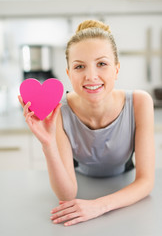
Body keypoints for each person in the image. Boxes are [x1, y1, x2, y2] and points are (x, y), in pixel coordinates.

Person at [18, 19, 155, 227]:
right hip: (83, 183)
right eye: (79, 66)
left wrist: (99, 206)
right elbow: (67, 194)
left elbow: (145, 182)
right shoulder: (59, 110)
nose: (91, 76)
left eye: (102, 64)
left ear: (116, 69)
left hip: (125, 190)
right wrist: (48, 144)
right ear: (69, 74)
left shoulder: (140, 103)